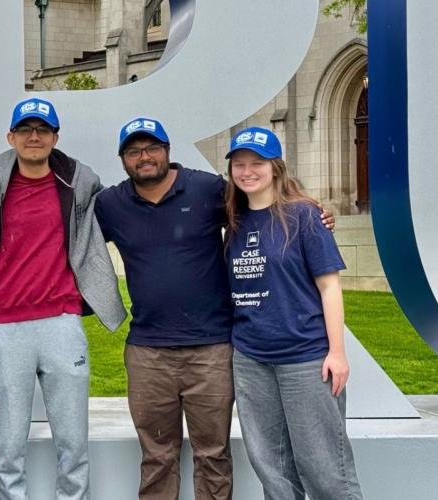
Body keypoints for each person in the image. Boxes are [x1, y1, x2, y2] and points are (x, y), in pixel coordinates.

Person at [95, 118, 334, 500]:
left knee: (213, 453)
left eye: (152, 148)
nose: (144, 157)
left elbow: (261, 201)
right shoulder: (111, 204)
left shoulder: (207, 189)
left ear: (167, 151)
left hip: (212, 349)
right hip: (147, 351)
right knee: (156, 456)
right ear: (123, 159)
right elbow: (76, 242)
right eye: (134, 151)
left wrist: (310, 209)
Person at [0, 98, 126, 500]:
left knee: (72, 445)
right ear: (11, 136)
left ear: (55, 138)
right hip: (6, 327)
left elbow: (127, 208)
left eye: (42, 130)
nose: (33, 137)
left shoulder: (79, 183)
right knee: (8, 449)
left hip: (62, 323)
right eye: (25, 130)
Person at [224, 127, 363, 500]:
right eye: (239, 164)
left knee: (324, 467)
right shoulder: (234, 222)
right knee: (272, 468)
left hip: (305, 357)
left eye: (257, 163)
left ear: (276, 168)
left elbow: (330, 286)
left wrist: (337, 352)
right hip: (252, 359)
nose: (247, 171)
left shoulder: (303, 215)